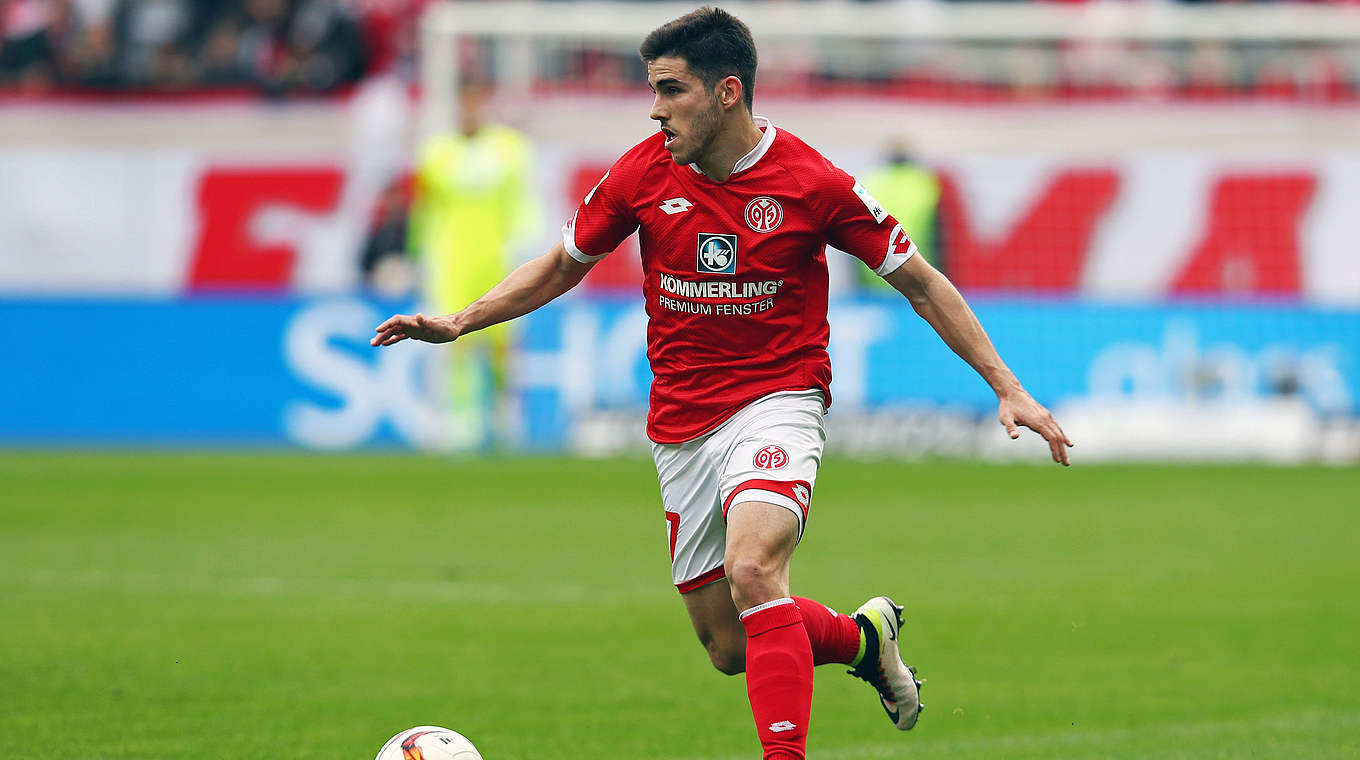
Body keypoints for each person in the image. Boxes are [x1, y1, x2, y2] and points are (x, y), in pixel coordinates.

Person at [372, 8, 1072, 759]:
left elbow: (923, 283)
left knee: (753, 566)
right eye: (653, 90)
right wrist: (460, 321)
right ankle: (865, 640)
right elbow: (561, 264)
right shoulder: (641, 172)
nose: (655, 107)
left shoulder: (812, 182)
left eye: (671, 91)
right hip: (681, 422)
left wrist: (1009, 386)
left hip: (779, 401)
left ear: (727, 92)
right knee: (729, 645)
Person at [408, 78, 537, 449]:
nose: (469, 108)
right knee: (453, 338)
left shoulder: (510, 148)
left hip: (498, 258)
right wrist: (418, 254)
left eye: (475, 100)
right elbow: (425, 209)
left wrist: (523, 245)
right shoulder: (436, 152)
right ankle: (461, 421)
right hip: (451, 260)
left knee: (503, 343)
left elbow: (523, 202)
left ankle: (503, 417)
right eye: (463, 101)